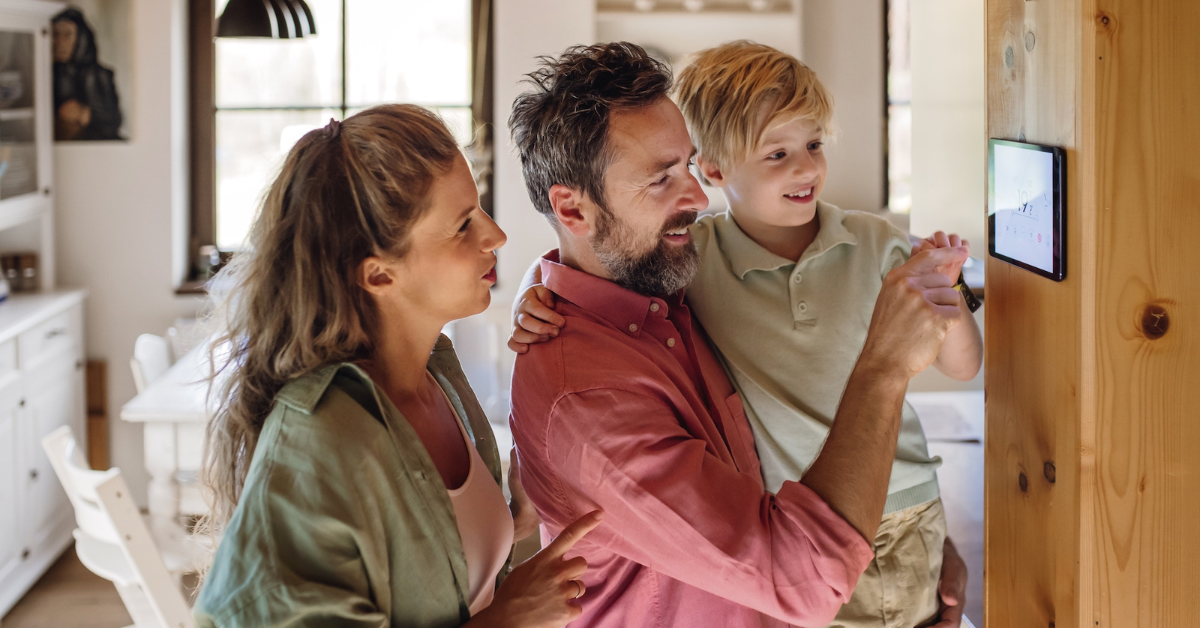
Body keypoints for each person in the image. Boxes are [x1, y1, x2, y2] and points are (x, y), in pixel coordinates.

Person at [512, 41, 981, 627]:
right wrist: (884, 366)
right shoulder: (599, 383)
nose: (695, 197)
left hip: (892, 518)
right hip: (810, 563)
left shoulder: (662, 275)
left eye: (684, 165)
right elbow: (804, 579)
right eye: (662, 180)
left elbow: (587, 262)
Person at [192, 104, 601, 628]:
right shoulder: (317, 439)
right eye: (462, 226)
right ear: (379, 275)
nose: (495, 235)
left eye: (479, 210)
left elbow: (434, 562)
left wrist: (511, 510)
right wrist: (508, 619)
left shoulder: (437, 379)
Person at [51, 8, 123, 141]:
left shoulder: (99, 74)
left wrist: (84, 113)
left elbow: (114, 119)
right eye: (55, 34)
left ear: (81, 38)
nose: (60, 42)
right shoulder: (47, 73)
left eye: (67, 34)